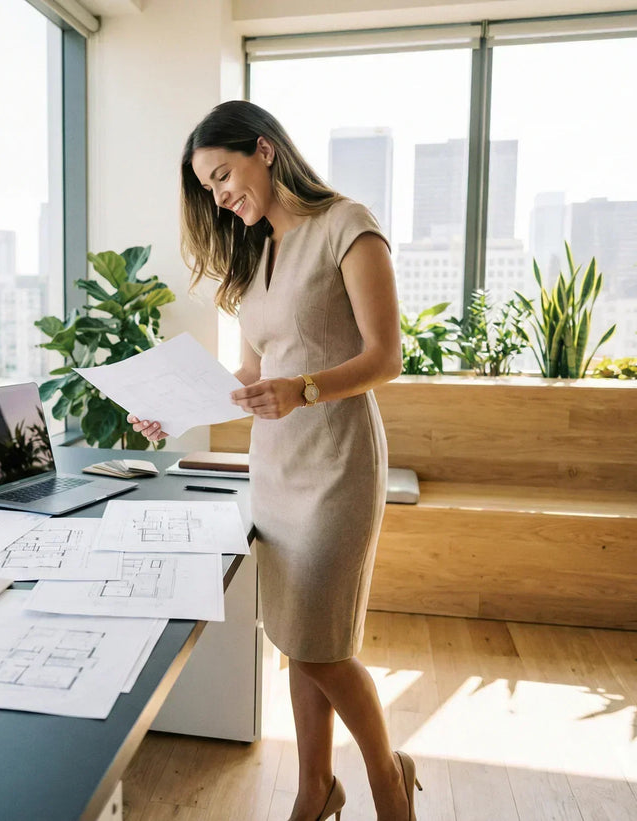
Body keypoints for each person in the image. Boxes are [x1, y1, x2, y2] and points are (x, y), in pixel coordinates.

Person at [128, 100, 420, 821]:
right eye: (209, 188)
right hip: (277, 470)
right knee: (295, 638)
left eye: (223, 175)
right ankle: (315, 788)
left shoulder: (348, 226)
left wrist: (307, 388)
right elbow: (253, 383)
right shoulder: (254, 255)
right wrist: (175, 406)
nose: (220, 195)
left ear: (264, 150)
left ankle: (388, 777)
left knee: (322, 647)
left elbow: (387, 355)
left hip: (338, 463)